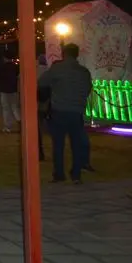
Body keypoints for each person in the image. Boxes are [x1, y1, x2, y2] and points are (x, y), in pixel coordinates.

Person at [39, 42, 93, 183]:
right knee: (76, 143)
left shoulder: (58, 69)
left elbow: (42, 82)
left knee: (58, 144)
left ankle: (59, 173)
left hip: (59, 110)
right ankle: (76, 174)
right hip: (77, 111)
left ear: (64, 54)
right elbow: (88, 89)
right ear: (77, 54)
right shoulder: (84, 72)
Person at [0, 53, 21, 132]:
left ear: (4, 58)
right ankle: (21, 123)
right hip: (14, 90)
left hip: (4, 91)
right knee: (15, 108)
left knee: (6, 109)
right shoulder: (16, 67)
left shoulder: (2, 67)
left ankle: (8, 126)